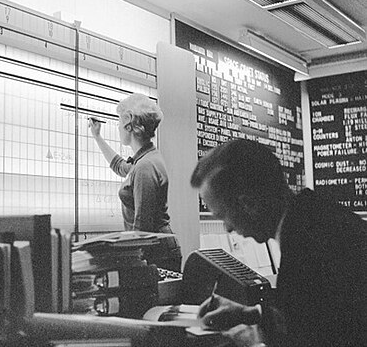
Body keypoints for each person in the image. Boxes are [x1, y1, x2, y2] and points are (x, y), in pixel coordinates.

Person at [190, 139, 367, 347]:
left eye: (222, 216)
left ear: (249, 204)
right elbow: (309, 312)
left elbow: (313, 336)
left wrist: (251, 336)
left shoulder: (306, 245)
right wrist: (251, 314)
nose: (228, 229)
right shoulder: (313, 216)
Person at [89, 93, 182, 272]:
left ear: (129, 124)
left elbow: (142, 225)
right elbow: (121, 167)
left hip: (157, 253)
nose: (117, 127)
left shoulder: (145, 166)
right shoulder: (146, 158)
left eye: (118, 122)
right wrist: (97, 137)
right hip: (160, 249)